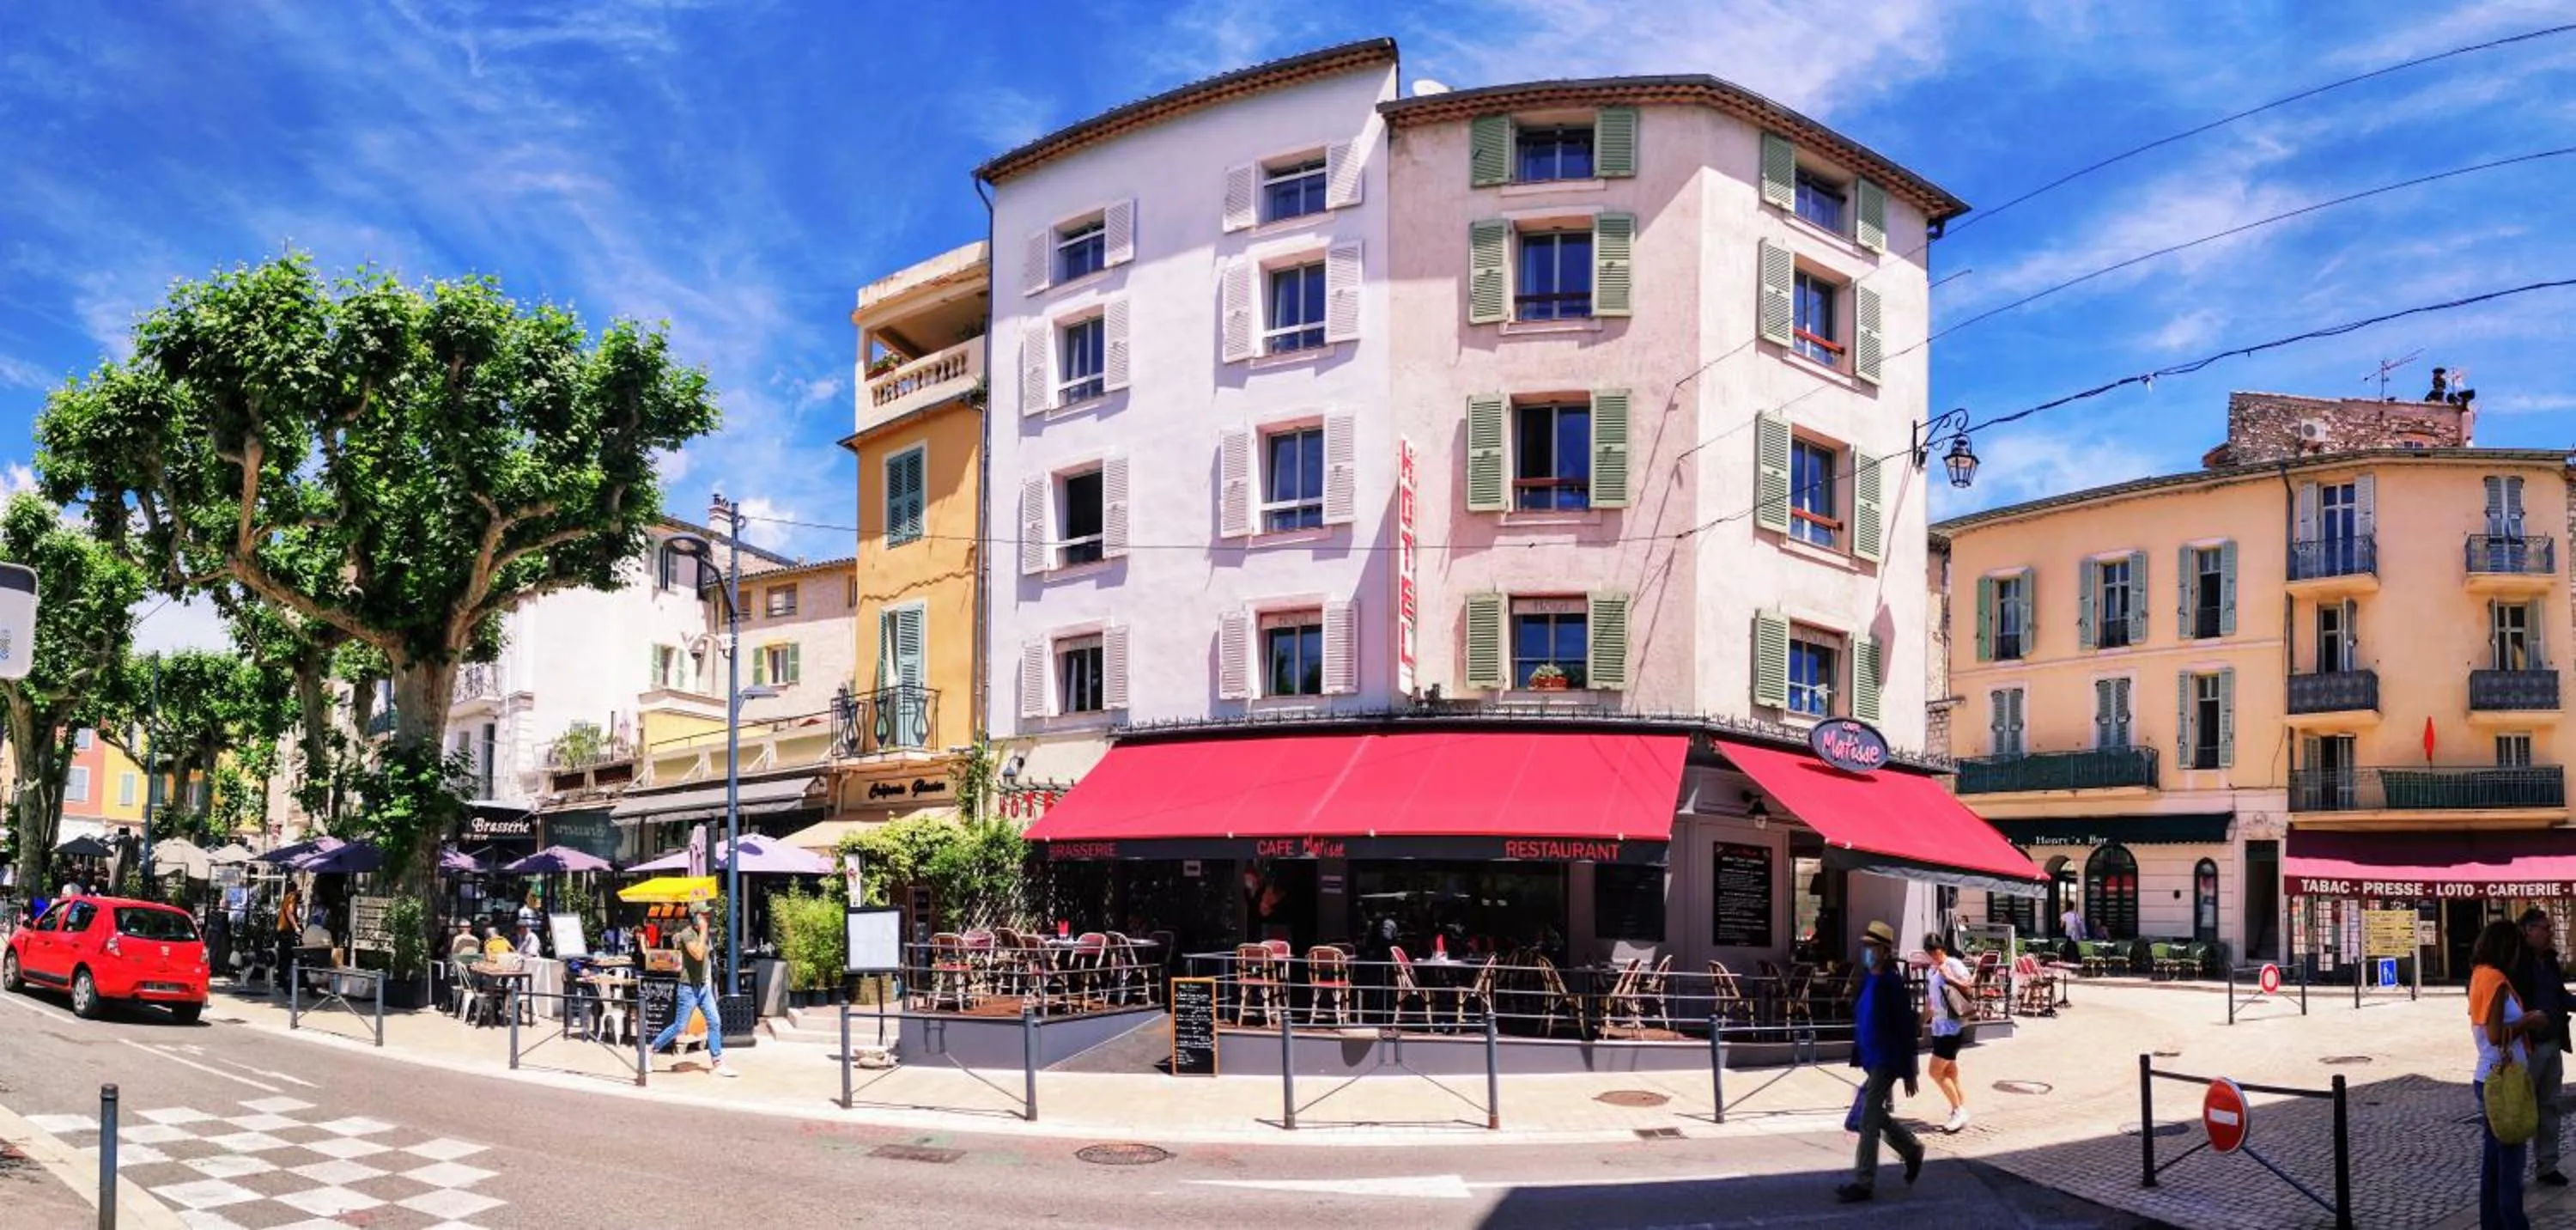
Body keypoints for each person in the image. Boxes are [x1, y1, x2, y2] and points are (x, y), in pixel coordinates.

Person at [2474, 918, 2552, 1230]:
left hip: (2487, 1075)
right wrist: (2528, 1022)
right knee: (2510, 1162)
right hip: (2503, 1079)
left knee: (2494, 1163)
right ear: (2507, 948)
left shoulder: (2480, 974)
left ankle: (2491, 1223)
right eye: (2517, 947)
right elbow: (2495, 1035)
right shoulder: (2495, 980)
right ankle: (2513, 1224)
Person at [1838, 921, 1923, 1203]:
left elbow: (1905, 1027)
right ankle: (1911, 1149)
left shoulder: (1891, 982)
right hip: (1871, 1058)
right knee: (1873, 1113)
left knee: (1868, 1120)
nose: (1867, 951)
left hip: (1886, 1059)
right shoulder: (1868, 978)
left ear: (1885, 951)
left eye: (1872, 946)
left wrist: (1910, 1071)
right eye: (1865, 946)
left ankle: (1864, 1182)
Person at [2515, 908, 2573, 1187]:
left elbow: (2560, 995)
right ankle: (2512, 1170)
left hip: (2552, 1041)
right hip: (2527, 1046)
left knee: (2550, 1106)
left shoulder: (2549, 961)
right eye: (2545, 928)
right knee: (2520, 1108)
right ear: (2528, 930)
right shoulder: (2516, 962)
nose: (2550, 933)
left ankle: (2547, 1165)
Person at [648, 902, 736, 1077]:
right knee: (679, 1027)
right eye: (703, 915)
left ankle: (717, 1063)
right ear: (695, 917)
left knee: (714, 1022)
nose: (707, 918)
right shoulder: (687, 934)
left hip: (703, 987)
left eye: (707, 915)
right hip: (688, 989)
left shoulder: (702, 934)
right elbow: (697, 954)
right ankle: (650, 1050)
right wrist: (703, 931)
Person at [1921, 932, 1975, 1133]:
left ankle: (1959, 1111)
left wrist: (1949, 977)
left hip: (1953, 1026)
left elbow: (1969, 988)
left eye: (1935, 952)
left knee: (1934, 1072)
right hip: (1938, 1026)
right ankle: (1959, 1109)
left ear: (1942, 949)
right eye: (1930, 953)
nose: (1933, 956)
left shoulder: (1953, 964)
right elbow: (1932, 1000)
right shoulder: (1931, 970)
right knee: (1950, 1071)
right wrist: (1920, 1022)